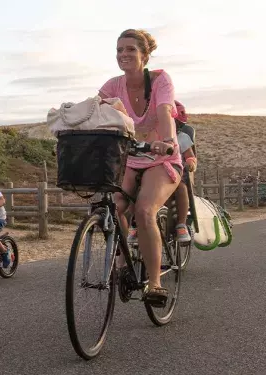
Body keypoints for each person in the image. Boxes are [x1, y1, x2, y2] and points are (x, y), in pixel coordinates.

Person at [97, 28, 180, 306]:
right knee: (115, 206)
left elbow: (164, 113)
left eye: (131, 49)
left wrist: (167, 141)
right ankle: (122, 264)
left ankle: (154, 283)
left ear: (144, 55)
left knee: (144, 210)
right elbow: (93, 112)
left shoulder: (159, 80)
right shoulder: (112, 86)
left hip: (162, 158)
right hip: (131, 158)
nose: (124, 54)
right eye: (119, 49)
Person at [171, 100, 196, 243]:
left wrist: (190, 163)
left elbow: (190, 156)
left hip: (175, 173)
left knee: (181, 189)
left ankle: (181, 224)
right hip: (153, 172)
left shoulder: (182, 138)